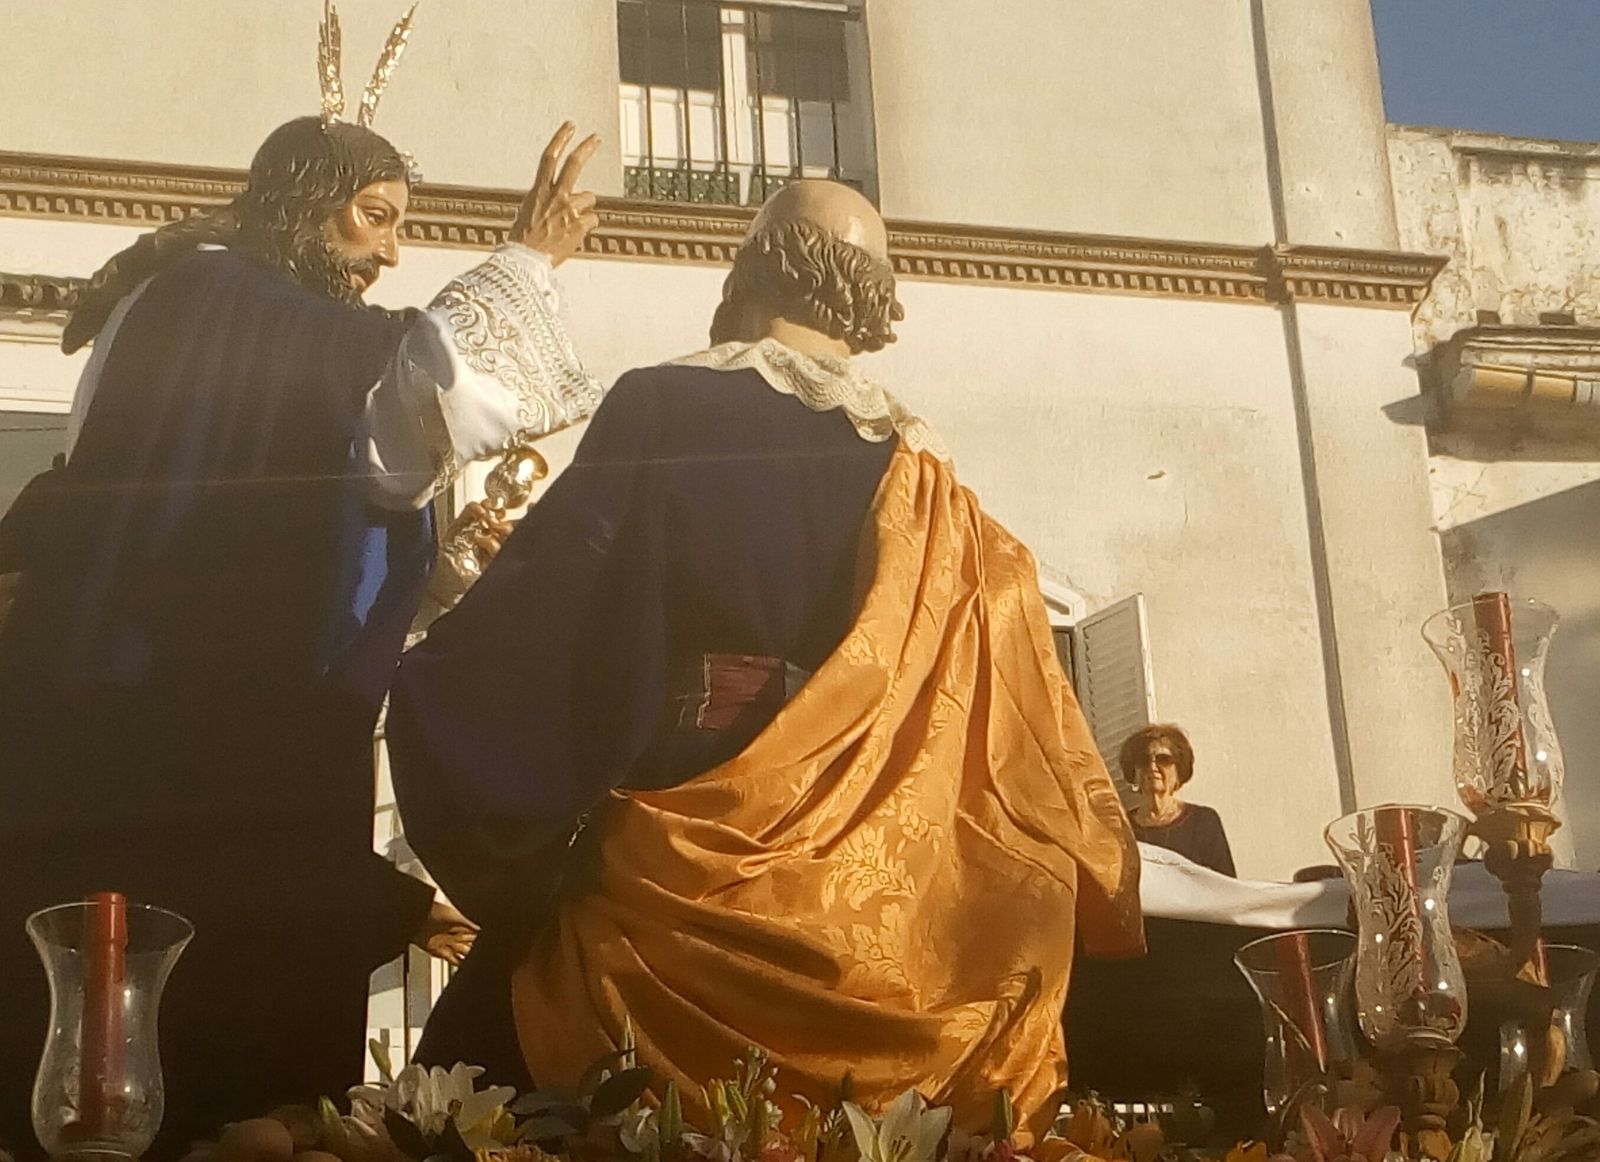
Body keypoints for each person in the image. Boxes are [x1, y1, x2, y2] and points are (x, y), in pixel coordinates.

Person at [387, 180, 1144, 1139]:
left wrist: (418, 659)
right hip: (878, 910)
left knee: (473, 1099)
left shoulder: (671, 403)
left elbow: (558, 616)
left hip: (675, 866)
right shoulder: (927, 468)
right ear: (870, 301)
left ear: (753, 268)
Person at [0, 45, 609, 1154]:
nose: (389, 252)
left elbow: (256, 537)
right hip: (202, 752)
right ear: (300, 207)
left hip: (117, 729)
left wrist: (426, 582)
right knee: (210, 1073)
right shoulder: (225, 302)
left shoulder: (174, 304)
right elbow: (425, 388)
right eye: (372, 217)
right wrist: (528, 259)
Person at [1118, 724, 1237, 877]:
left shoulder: (1203, 821)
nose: (1152, 766)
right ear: (1133, 772)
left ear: (1179, 770)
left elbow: (1225, 884)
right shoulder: (1122, 829)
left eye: (1164, 759)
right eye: (1143, 760)